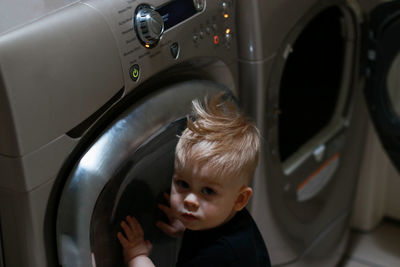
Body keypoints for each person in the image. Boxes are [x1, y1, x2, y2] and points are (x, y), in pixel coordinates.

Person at [117, 93, 271, 266]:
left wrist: (136, 256)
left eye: (207, 191)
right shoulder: (230, 218)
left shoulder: (219, 256)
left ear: (240, 199)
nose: (190, 200)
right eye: (183, 184)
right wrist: (186, 228)